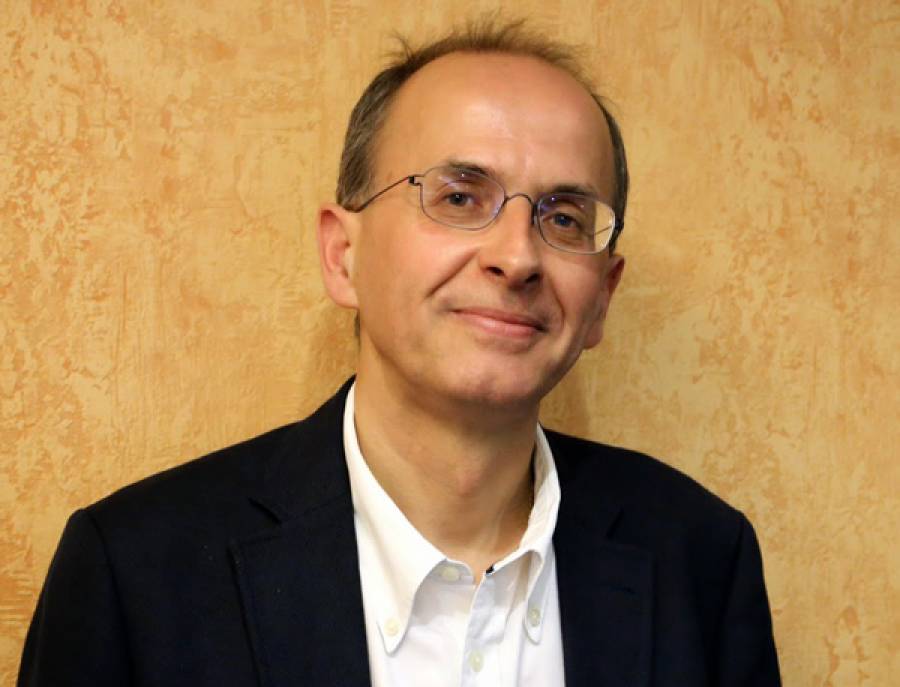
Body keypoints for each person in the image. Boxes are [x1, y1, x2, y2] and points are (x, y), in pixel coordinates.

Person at [18, 20, 781, 687]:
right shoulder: (135, 573)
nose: (516, 256)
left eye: (564, 217)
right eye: (459, 197)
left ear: (602, 296)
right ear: (342, 255)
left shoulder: (701, 561)